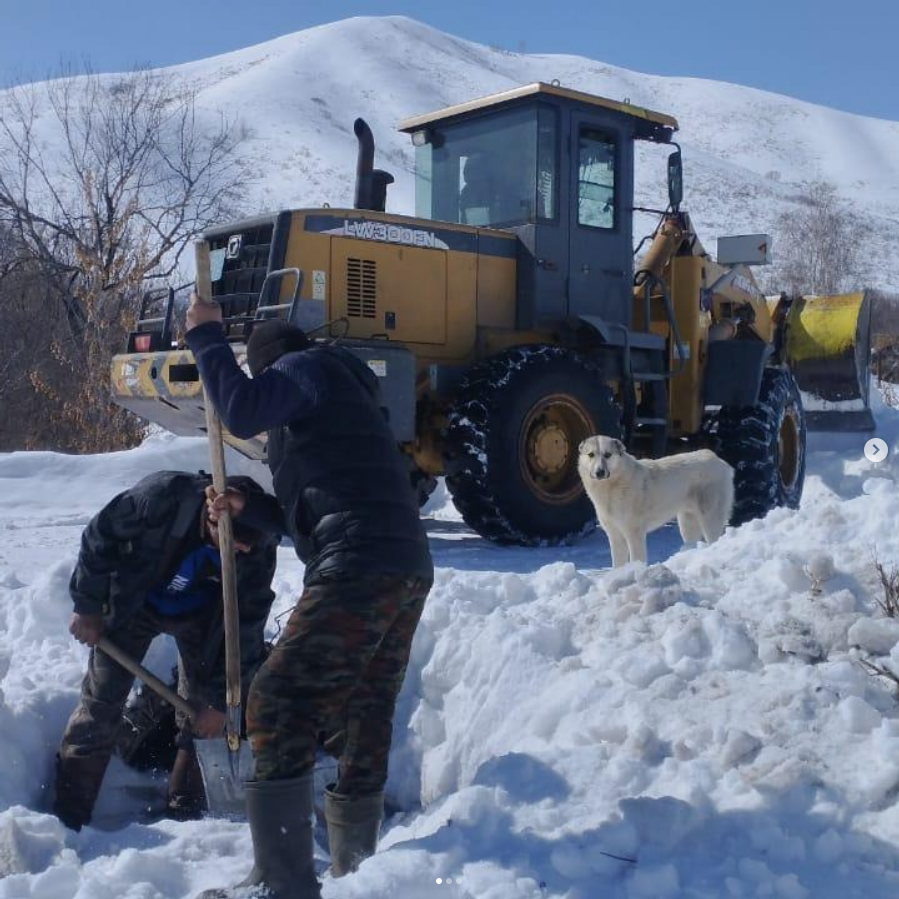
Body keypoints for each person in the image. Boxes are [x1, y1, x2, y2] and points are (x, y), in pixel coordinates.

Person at [185, 298, 433, 899]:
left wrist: (207, 338)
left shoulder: (307, 369)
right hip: (401, 564)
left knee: (274, 700)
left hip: (359, 565)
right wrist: (254, 512)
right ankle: (360, 874)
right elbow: (314, 520)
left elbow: (240, 409)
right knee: (364, 710)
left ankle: (281, 881)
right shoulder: (341, 411)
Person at [53, 470, 279, 831]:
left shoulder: (258, 545)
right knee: (101, 702)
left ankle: (184, 810)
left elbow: (248, 624)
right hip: (136, 602)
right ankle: (69, 816)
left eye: (250, 544)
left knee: (203, 715)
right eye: (237, 542)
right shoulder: (159, 499)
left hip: (204, 616)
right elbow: (101, 536)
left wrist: (221, 702)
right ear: (213, 519)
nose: (245, 550)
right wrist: (87, 605)